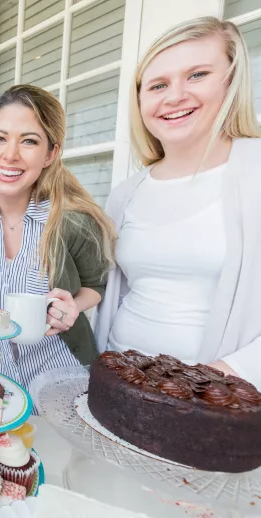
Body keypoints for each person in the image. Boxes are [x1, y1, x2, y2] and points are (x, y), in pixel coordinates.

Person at [94, 17, 261, 390]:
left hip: (218, 404)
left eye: (197, 75)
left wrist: (207, 383)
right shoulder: (127, 192)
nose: (174, 96)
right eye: (158, 85)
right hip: (120, 386)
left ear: (232, 81)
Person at [0, 84, 116, 389]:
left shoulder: (75, 220)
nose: (9, 155)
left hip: (58, 376)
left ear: (51, 153)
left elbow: (96, 284)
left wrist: (74, 306)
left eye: (29, 141)